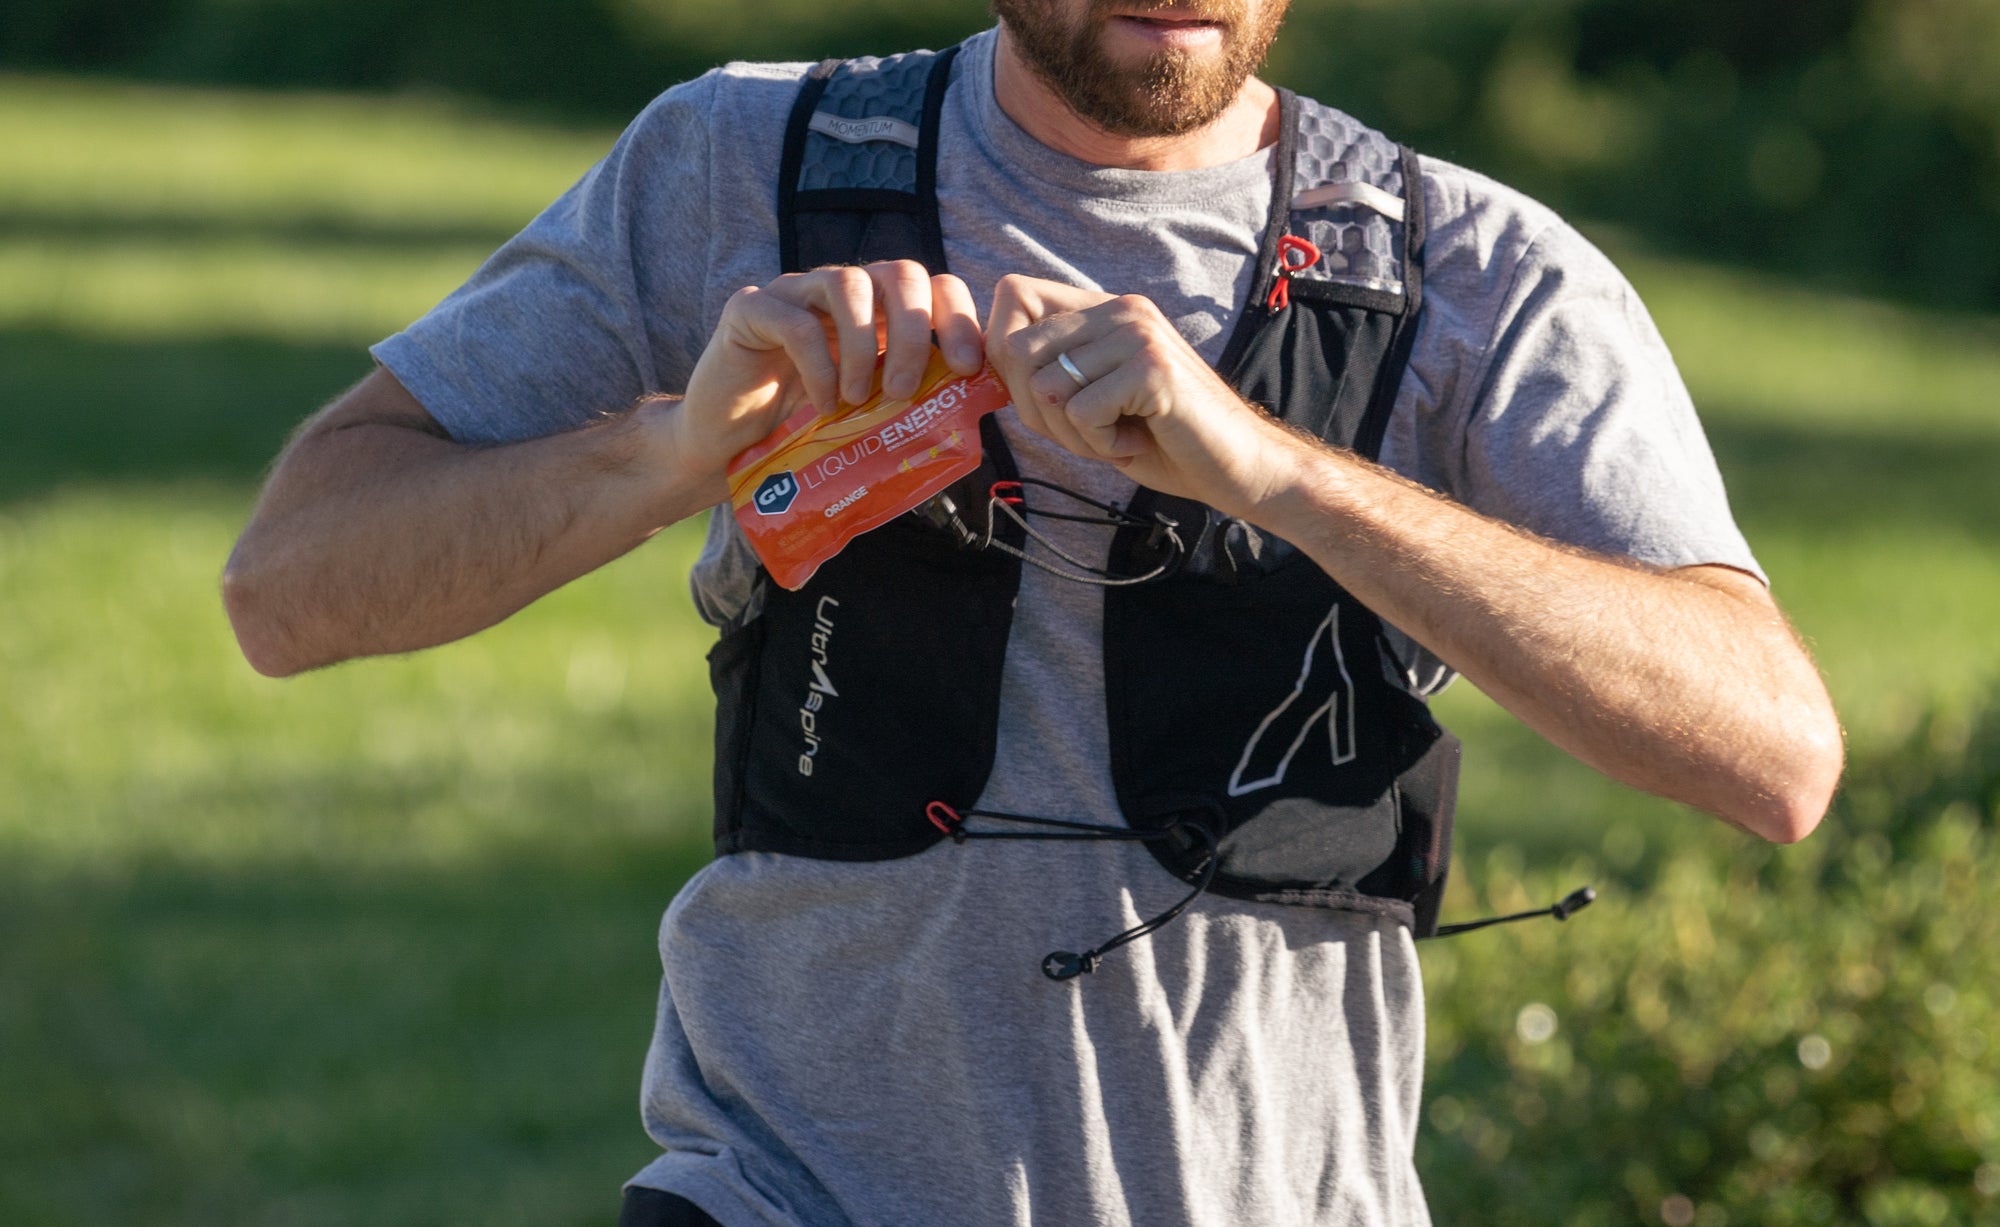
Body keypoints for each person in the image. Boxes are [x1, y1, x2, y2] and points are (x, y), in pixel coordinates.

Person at [222, 1, 1844, 1223]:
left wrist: (1277, 474)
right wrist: (669, 452)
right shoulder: (740, 168)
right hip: (786, 1192)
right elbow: (289, 590)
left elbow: (1772, 753)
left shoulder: (1477, 276)